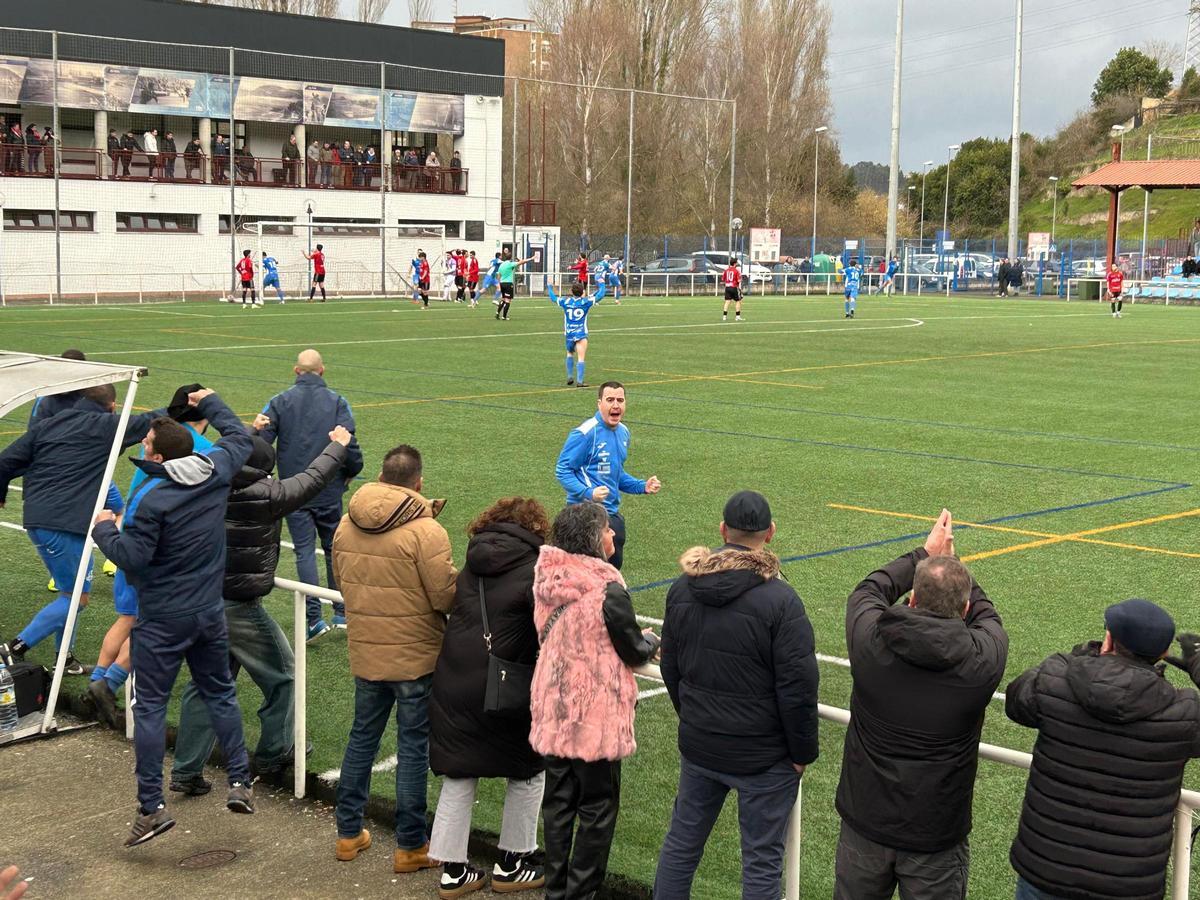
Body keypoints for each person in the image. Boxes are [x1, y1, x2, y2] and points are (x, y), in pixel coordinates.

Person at [92, 389, 256, 846]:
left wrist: (104, 529)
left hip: (163, 619)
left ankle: (151, 807)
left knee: (149, 708)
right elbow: (238, 436)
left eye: (146, 444)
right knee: (220, 693)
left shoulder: (152, 500)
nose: (142, 447)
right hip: (208, 612)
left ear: (159, 457)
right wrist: (212, 401)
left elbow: (133, 558)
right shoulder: (217, 470)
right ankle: (240, 782)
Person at [833, 509, 1008, 900]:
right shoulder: (981, 663)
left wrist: (923, 554)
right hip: (935, 836)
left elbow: (869, 591)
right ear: (964, 610)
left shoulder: (870, 643)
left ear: (911, 599)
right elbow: (988, 618)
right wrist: (955, 568)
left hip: (865, 824)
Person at [170, 426, 353, 795]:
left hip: (197, 599)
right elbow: (312, 479)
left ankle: (186, 771)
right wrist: (337, 445)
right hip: (236, 607)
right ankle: (274, 752)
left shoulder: (203, 485)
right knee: (285, 674)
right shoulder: (267, 494)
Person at [654, 491, 819, 899]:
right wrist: (802, 753)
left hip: (702, 744)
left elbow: (671, 667)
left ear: (723, 531)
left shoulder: (683, 588)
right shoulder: (781, 600)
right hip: (762, 756)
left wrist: (694, 717)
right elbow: (798, 687)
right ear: (770, 533)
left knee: (681, 845)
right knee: (761, 863)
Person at [1007, 599, 1200, 900]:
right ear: (1163, 653)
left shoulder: (1057, 679)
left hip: (1046, 872)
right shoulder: (1184, 713)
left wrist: (1078, 657)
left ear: (1108, 640)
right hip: (1127, 885)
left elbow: (1017, 701)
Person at [332, 444, 457, 875]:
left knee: (362, 738)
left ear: (382, 478)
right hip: (415, 656)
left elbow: (342, 581)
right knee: (412, 747)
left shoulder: (346, 522)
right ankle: (409, 845)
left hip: (367, 649)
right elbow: (444, 596)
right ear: (418, 483)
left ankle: (347, 833)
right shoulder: (427, 531)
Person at [530, 502, 660, 900]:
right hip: (593, 715)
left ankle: (555, 892)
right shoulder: (607, 588)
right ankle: (581, 894)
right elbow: (633, 649)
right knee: (597, 809)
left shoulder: (548, 578)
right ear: (592, 537)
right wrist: (651, 640)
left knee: (558, 805)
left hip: (554, 705)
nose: (612, 534)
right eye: (606, 529)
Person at [428, 497, 550, 896]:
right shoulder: (535, 567)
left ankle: (453, 871)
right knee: (528, 767)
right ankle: (512, 863)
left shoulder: (474, 560)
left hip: (454, 675)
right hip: (504, 680)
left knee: (460, 771)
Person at [0, 385, 164, 677]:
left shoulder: (50, 422)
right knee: (75, 599)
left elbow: (5, 462)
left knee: (72, 593)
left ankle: (65, 659)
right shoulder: (105, 425)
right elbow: (150, 420)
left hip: (51, 518)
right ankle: (13, 648)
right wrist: (188, 405)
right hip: (63, 524)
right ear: (112, 406)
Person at [86, 386, 216, 728]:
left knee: (126, 619)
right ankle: (109, 682)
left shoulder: (158, 439)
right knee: (152, 627)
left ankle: (97, 681)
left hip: (131, 533)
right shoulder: (196, 448)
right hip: (156, 551)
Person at [253, 349, 363, 640]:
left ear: (296, 370)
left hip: (294, 489)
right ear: (322, 371)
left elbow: (261, 443)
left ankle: (314, 618)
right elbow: (348, 442)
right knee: (333, 549)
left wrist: (266, 477)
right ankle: (341, 611)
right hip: (328, 488)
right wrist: (353, 469)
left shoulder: (279, 401)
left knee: (304, 551)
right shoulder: (337, 402)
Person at [555, 382, 661, 570]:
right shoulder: (585, 433)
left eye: (620, 400)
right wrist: (589, 493)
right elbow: (563, 470)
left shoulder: (623, 432)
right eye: (610, 400)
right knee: (584, 576)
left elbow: (615, 473)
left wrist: (641, 486)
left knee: (611, 572)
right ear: (599, 403)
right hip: (584, 518)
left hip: (610, 516)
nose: (616, 405)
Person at [549, 280, 607, 388]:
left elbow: (553, 298)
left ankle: (570, 376)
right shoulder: (585, 302)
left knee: (570, 353)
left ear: (571, 291)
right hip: (580, 333)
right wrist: (602, 283)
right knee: (581, 358)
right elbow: (601, 295)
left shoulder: (566, 301)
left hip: (569, 333)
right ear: (583, 292)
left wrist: (549, 287)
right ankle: (580, 381)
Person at [495, 251, 534, 321]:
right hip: (508, 284)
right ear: (510, 258)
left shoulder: (501, 265)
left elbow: (498, 275)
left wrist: (498, 284)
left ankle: (497, 313)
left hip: (502, 283)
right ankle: (504, 317)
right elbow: (522, 262)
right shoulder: (510, 264)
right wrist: (531, 258)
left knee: (503, 299)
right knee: (508, 300)